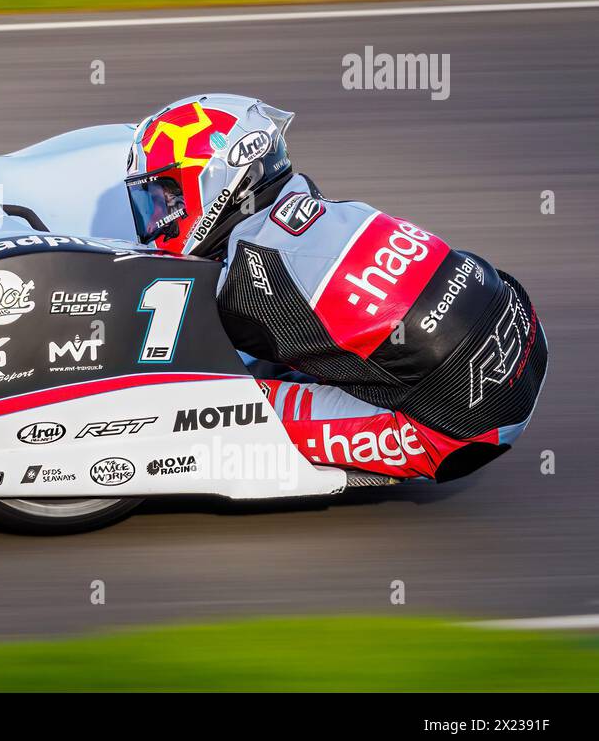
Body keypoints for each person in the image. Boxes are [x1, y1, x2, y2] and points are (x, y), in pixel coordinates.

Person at [124, 93, 548, 482]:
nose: (159, 214)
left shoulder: (243, 283)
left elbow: (178, 357)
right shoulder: (306, 201)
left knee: (204, 409)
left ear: (215, 180)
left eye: (166, 194)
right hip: (521, 326)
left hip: (462, 424)